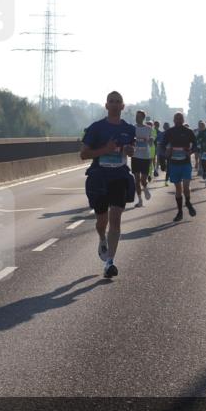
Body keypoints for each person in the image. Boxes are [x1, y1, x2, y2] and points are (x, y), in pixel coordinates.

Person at [81, 91, 136, 279]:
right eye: (111, 101)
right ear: (106, 106)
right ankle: (102, 238)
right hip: (99, 177)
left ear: (123, 106)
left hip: (119, 177)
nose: (114, 104)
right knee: (101, 221)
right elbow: (83, 154)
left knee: (116, 219)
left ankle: (109, 262)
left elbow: (131, 149)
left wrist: (130, 150)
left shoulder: (129, 129)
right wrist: (105, 149)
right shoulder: (96, 128)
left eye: (117, 102)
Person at [164, 112, 197, 222]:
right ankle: (180, 212)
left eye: (180, 118)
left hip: (186, 163)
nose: (178, 120)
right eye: (176, 118)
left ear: (183, 120)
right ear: (173, 120)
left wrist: (190, 152)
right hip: (174, 164)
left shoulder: (188, 132)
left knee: (186, 187)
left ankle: (187, 202)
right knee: (178, 188)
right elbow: (162, 145)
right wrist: (167, 152)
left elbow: (196, 145)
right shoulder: (169, 132)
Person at [131, 110, 153, 208]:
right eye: (136, 116)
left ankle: (146, 188)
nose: (137, 118)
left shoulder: (148, 128)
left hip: (145, 157)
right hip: (135, 156)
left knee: (143, 180)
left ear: (143, 118)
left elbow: (151, 142)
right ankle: (140, 201)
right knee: (136, 180)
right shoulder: (132, 128)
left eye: (139, 116)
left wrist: (151, 140)